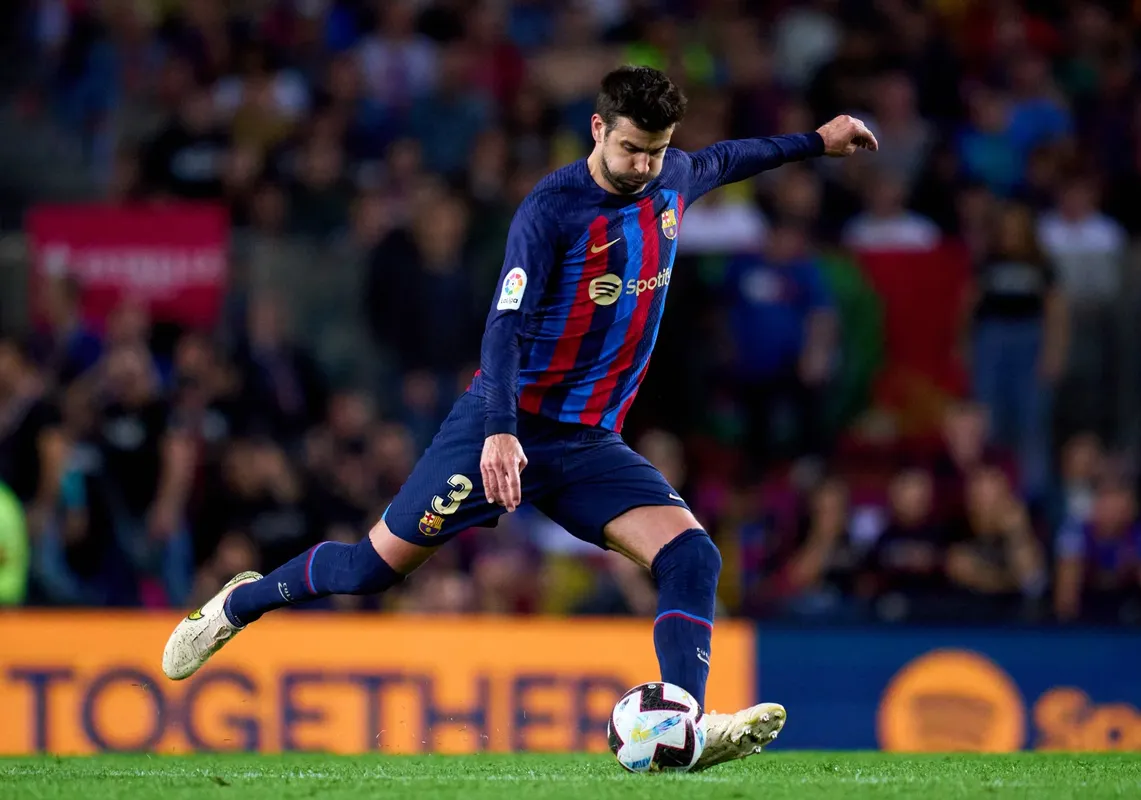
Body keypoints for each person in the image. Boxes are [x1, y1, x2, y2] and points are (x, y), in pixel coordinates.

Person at [161, 66, 877, 770]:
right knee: (370, 570)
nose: (643, 166)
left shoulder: (673, 178)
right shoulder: (551, 209)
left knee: (693, 555)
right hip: (502, 425)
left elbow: (731, 157)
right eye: (631, 148)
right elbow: (504, 326)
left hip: (588, 444)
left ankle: (682, 725)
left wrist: (818, 140)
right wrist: (500, 430)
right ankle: (237, 605)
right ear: (597, 129)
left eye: (656, 152)